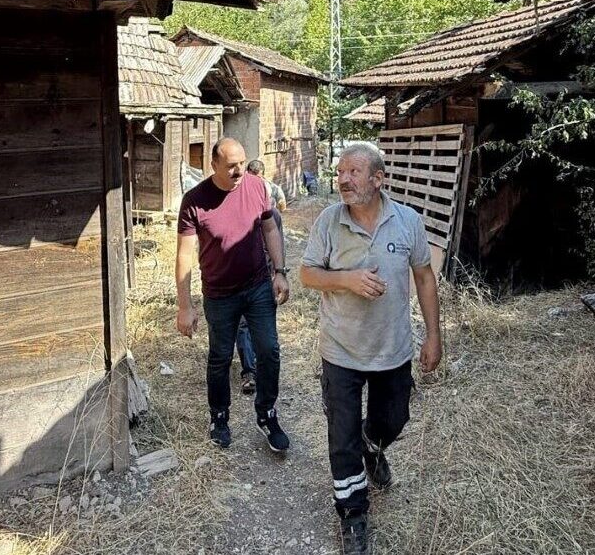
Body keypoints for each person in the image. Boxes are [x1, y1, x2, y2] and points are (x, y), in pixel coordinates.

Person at [300, 143, 442, 554]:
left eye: (354, 172)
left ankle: (373, 445)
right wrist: (346, 279)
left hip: (392, 347)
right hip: (341, 349)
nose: (343, 179)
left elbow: (425, 277)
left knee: (392, 419)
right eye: (341, 172)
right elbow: (308, 273)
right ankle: (353, 514)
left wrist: (434, 335)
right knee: (341, 438)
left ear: (378, 180)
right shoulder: (329, 221)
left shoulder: (407, 222)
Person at [176, 138, 291, 452]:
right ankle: (219, 416)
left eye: (242, 163)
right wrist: (184, 305)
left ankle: (266, 414)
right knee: (220, 358)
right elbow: (185, 255)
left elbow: (269, 229)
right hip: (219, 294)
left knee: (269, 351)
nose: (239, 170)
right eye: (231, 166)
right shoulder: (194, 200)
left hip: (257, 287)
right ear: (214, 165)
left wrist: (279, 271)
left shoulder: (256, 187)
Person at [233, 159, 287, 395]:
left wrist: (279, 272)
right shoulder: (238, 201)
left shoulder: (271, 208)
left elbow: (278, 241)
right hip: (241, 277)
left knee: (259, 325)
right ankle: (250, 371)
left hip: (263, 278)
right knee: (244, 324)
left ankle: (258, 371)